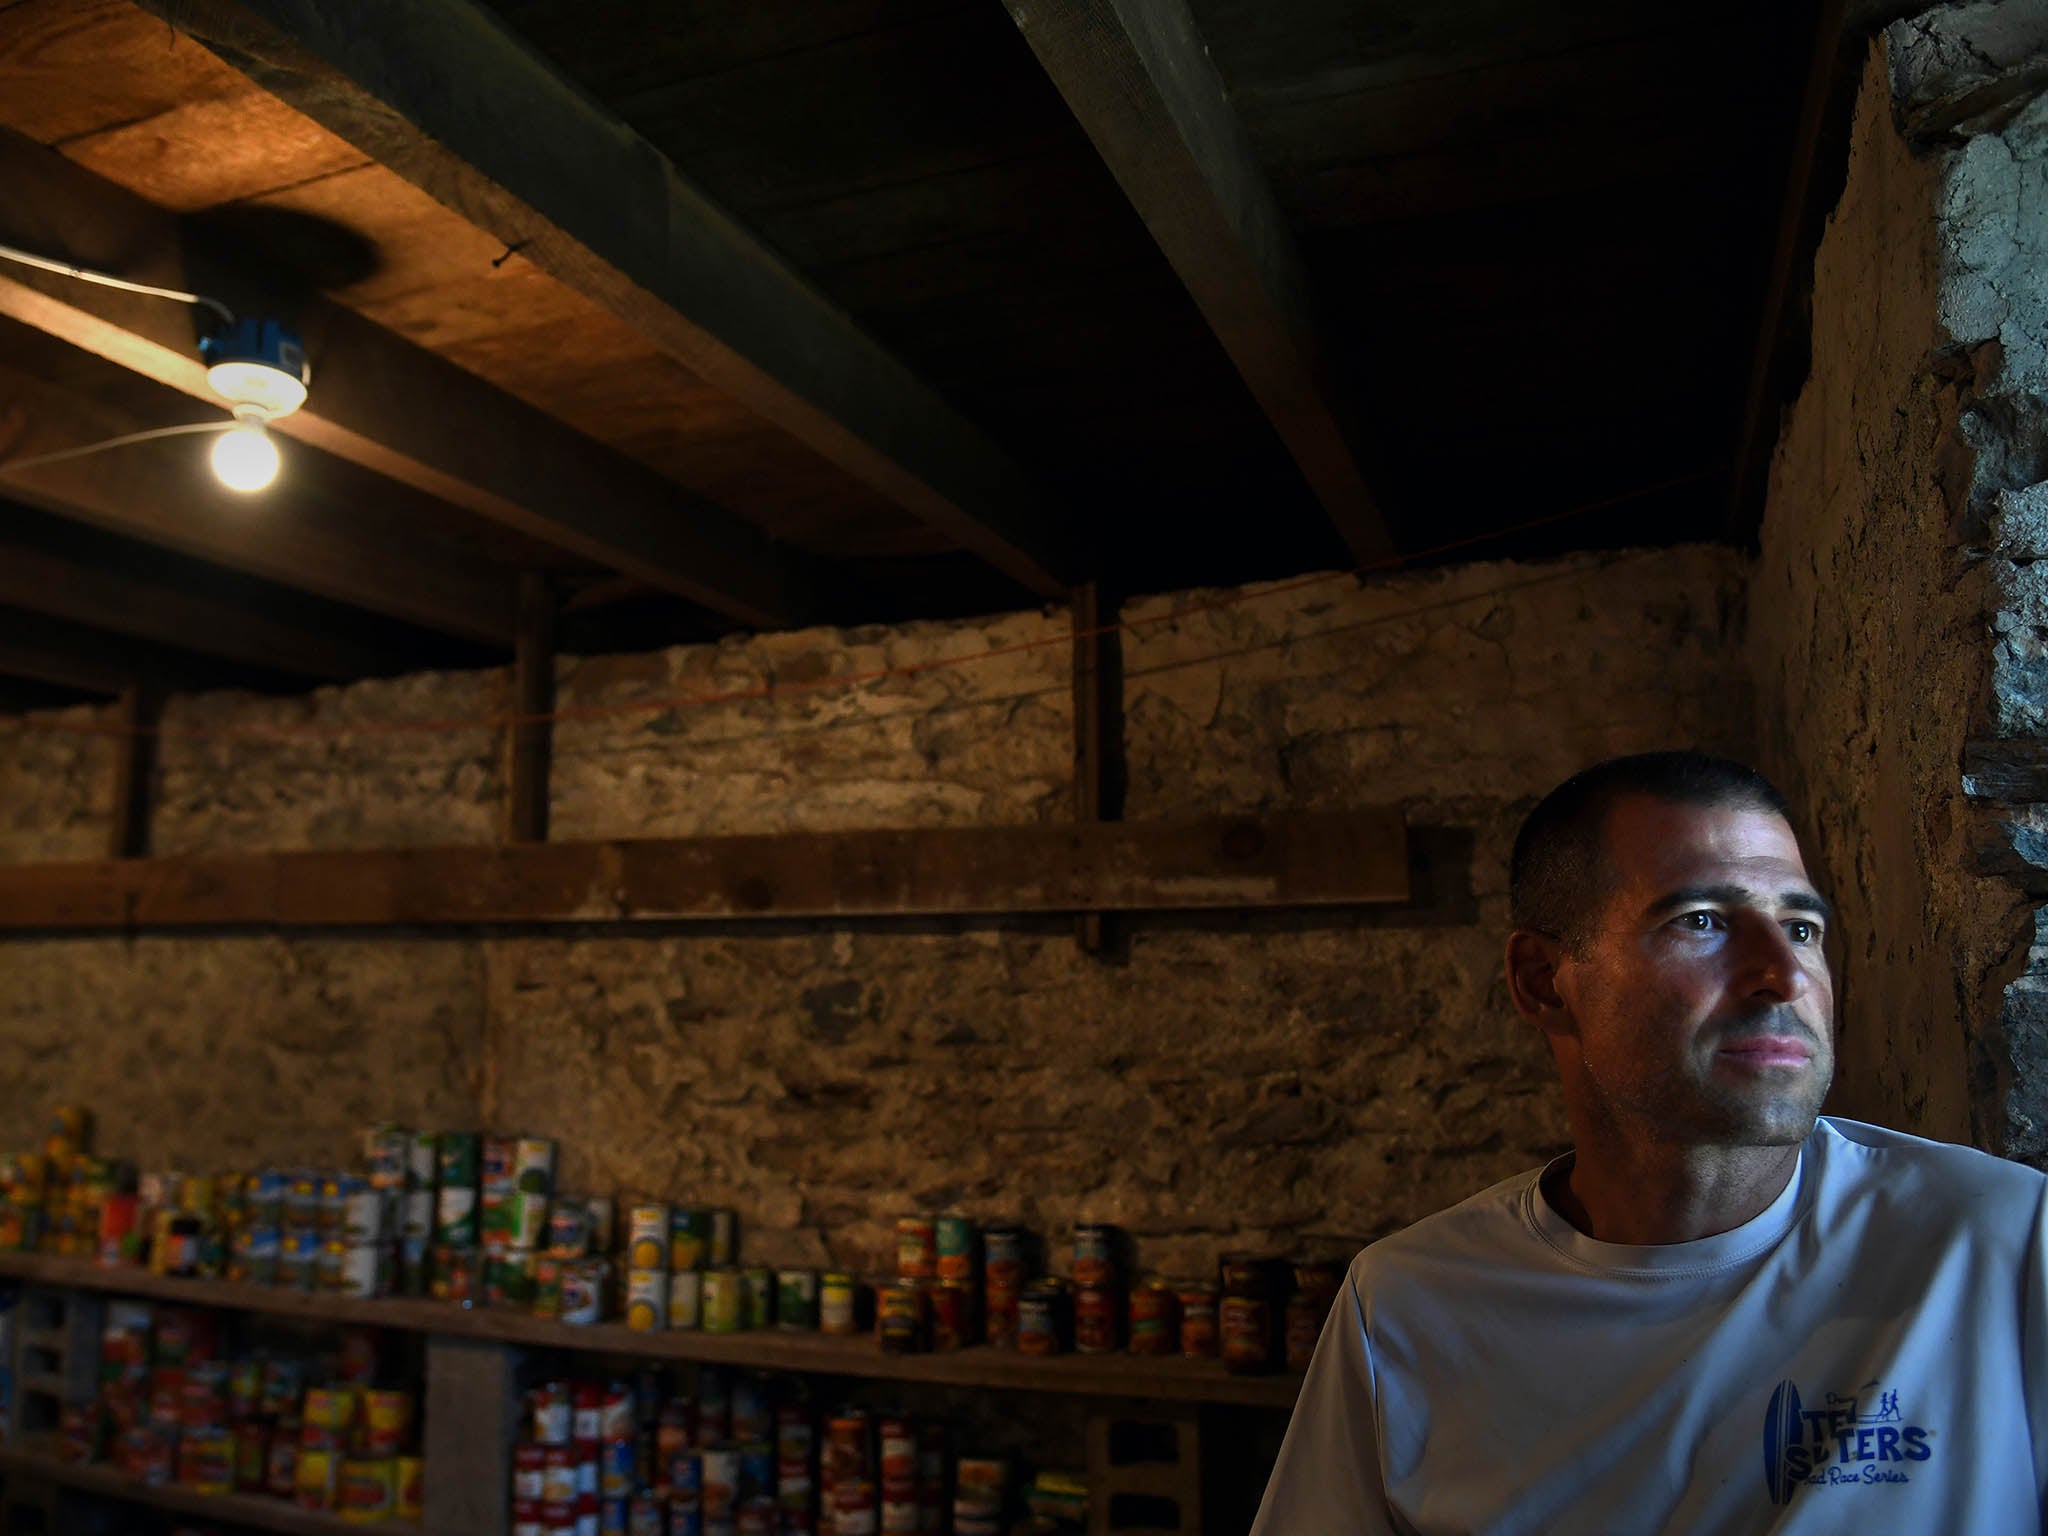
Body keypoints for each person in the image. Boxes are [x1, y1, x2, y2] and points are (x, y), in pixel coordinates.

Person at [1250, 751, 2048, 1534]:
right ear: (1542, 981)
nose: (1783, 974)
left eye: (1801, 927)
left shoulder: (2001, 1242)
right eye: (1701, 922)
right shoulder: (1407, 1305)